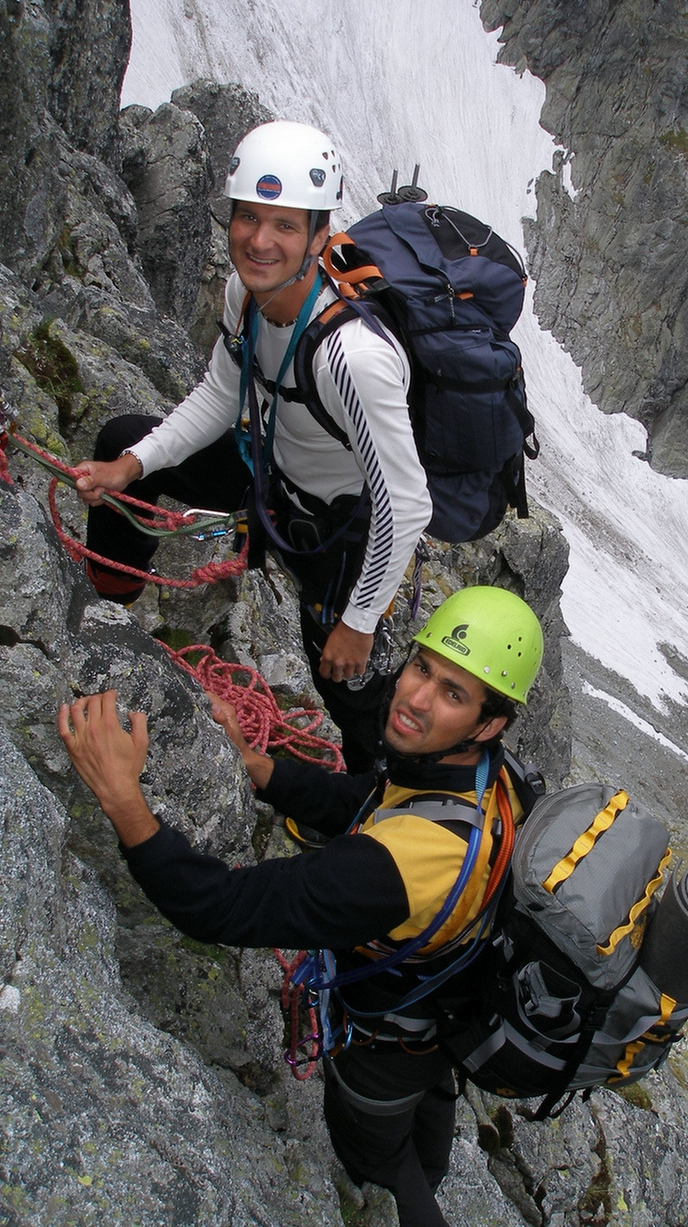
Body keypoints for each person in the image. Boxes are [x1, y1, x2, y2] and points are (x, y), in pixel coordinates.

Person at [58, 585, 543, 1227]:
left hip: (379, 1044)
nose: (415, 698)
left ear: (489, 722)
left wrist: (123, 800)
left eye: (453, 693)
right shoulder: (487, 776)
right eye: (423, 667)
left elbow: (220, 907)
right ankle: (427, 1164)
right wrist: (261, 767)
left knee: (378, 1157)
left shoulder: (396, 868)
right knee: (423, 1121)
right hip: (441, 1008)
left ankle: (404, 1192)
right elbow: (371, 801)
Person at [74, 121, 432, 772]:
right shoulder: (246, 293)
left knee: (341, 677)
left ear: (320, 236)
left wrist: (359, 618)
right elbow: (219, 392)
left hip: (337, 529)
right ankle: (105, 619)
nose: (259, 241)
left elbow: (405, 504)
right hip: (266, 477)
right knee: (123, 438)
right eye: (247, 218)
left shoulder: (353, 358)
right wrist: (131, 466)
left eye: (285, 226)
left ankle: (372, 801)